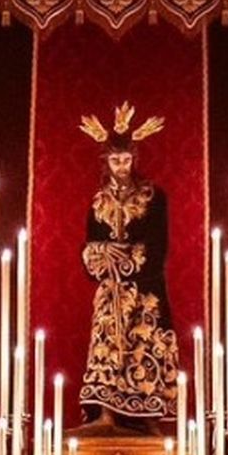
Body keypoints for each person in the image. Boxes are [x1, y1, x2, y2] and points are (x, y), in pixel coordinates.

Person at [75, 103, 178, 434]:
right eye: (115, 161)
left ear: (135, 160)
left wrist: (129, 261)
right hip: (111, 288)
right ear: (106, 162)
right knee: (105, 346)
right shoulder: (98, 201)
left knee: (143, 346)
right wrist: (102, 257)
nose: (121, 167)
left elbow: (158, 244)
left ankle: (148, 418)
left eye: (126, 160)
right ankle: (104, 415)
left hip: (145, 288)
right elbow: (90, 242)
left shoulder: (152, 196)